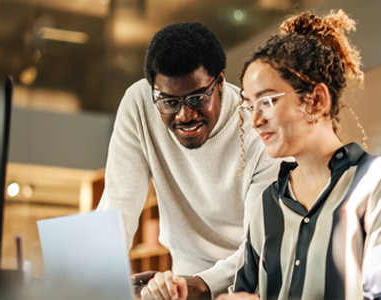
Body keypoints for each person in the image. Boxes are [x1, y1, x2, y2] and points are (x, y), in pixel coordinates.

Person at [221, 10, 381, 300]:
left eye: (267, 101)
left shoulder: (378, 183)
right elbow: (244, 292)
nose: (255, 119)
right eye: (249, 105)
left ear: (317, 100)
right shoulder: (267, 205)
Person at [95, 22, 281, 300]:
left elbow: (261, 245)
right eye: (169, 102)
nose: (184, 115)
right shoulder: (138, 104)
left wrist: (202, 284)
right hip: (182, 283)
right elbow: (118, 203)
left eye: (197, 98)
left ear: (219, 82)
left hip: (251, 287)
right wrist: (96, 281)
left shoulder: (259, 127)